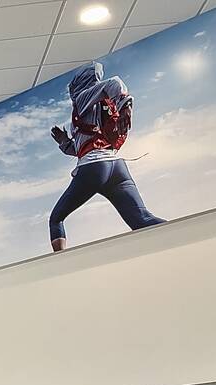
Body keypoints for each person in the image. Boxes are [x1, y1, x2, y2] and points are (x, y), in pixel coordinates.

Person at [48, 62, 166, 252]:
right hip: (116, 167)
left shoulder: (82, 99)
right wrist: (64, 142)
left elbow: (115, 82)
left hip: (93, 168)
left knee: (56, 218)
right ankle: (188, 235)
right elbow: (79, 149)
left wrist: (126, 104)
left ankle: (60, 262)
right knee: (141, 219)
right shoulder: (101, 105)